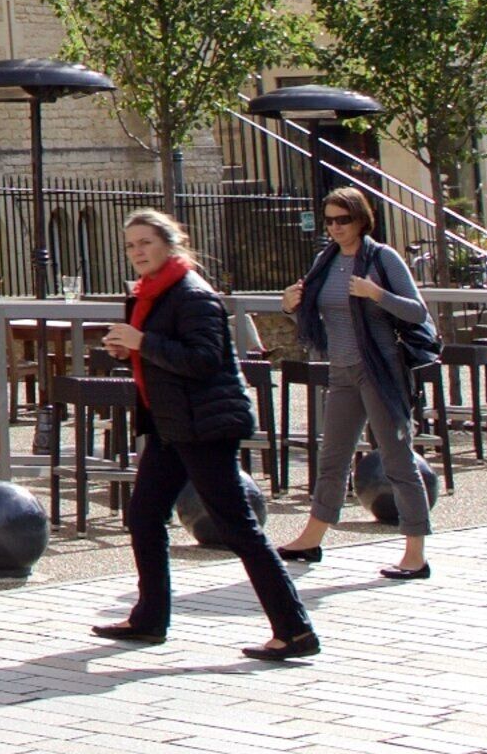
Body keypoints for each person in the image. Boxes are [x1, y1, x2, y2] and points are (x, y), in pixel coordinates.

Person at [94, 208, 317, 662]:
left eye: (146, 243)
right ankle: (150, 618)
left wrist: (142, 343)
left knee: (239, 528)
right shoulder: (150, 294)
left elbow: (204, 359)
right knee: (144, 516)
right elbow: (162, 354)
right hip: (170, 425)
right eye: (130, 245)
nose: (137, 252)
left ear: (171, 244)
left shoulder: (192, 293)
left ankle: (294, 629)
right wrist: (129, 350)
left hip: (205, 426)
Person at [279, 187, 438, 578]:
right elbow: (315, 317)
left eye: (343, 220)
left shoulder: (382, 258)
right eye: (329, 220)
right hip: (342, 371)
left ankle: (415, 555)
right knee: (331, 459)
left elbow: (417, 312)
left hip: (379, 371)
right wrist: (290, 304)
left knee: (398, 460)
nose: (335, 228)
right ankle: (312, 538)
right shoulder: (325, 261)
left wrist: (375, 293)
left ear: (361, 219)